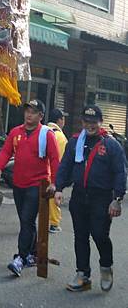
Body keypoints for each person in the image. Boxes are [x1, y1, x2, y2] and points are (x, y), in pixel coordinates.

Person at [54, 105, 126, 293]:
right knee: (80, 236)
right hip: (79, 196)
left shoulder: (111, 145)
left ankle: (106, 267)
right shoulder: (75, 142)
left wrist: (117, 199)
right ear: (82, 122)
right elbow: (65, 165)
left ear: (100, 122)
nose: (90, 125)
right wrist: (59, 187)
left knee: (100, 235)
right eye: (87, 122)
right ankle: (83, 274)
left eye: (94, 122)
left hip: (102, 198)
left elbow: (120, 172)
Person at [0, 99, 59, 277]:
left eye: (33, 112)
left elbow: (55, 159)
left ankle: (20, 258)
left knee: (26, 220)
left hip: (37, 185)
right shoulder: (16, 132)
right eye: (27, 111)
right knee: (26, 221)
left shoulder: (47, 134)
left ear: (41, 116)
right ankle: (34, 253)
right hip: (18, 184)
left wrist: (54, 182)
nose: (28, 114)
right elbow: (6, 151)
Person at [47, 108, 68, 233]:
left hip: (39, 172)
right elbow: (62, 159)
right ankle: (53, 224)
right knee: (53, 197)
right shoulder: (60, 136)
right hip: (53, 172)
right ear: (60, 120)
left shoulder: (43, 131)